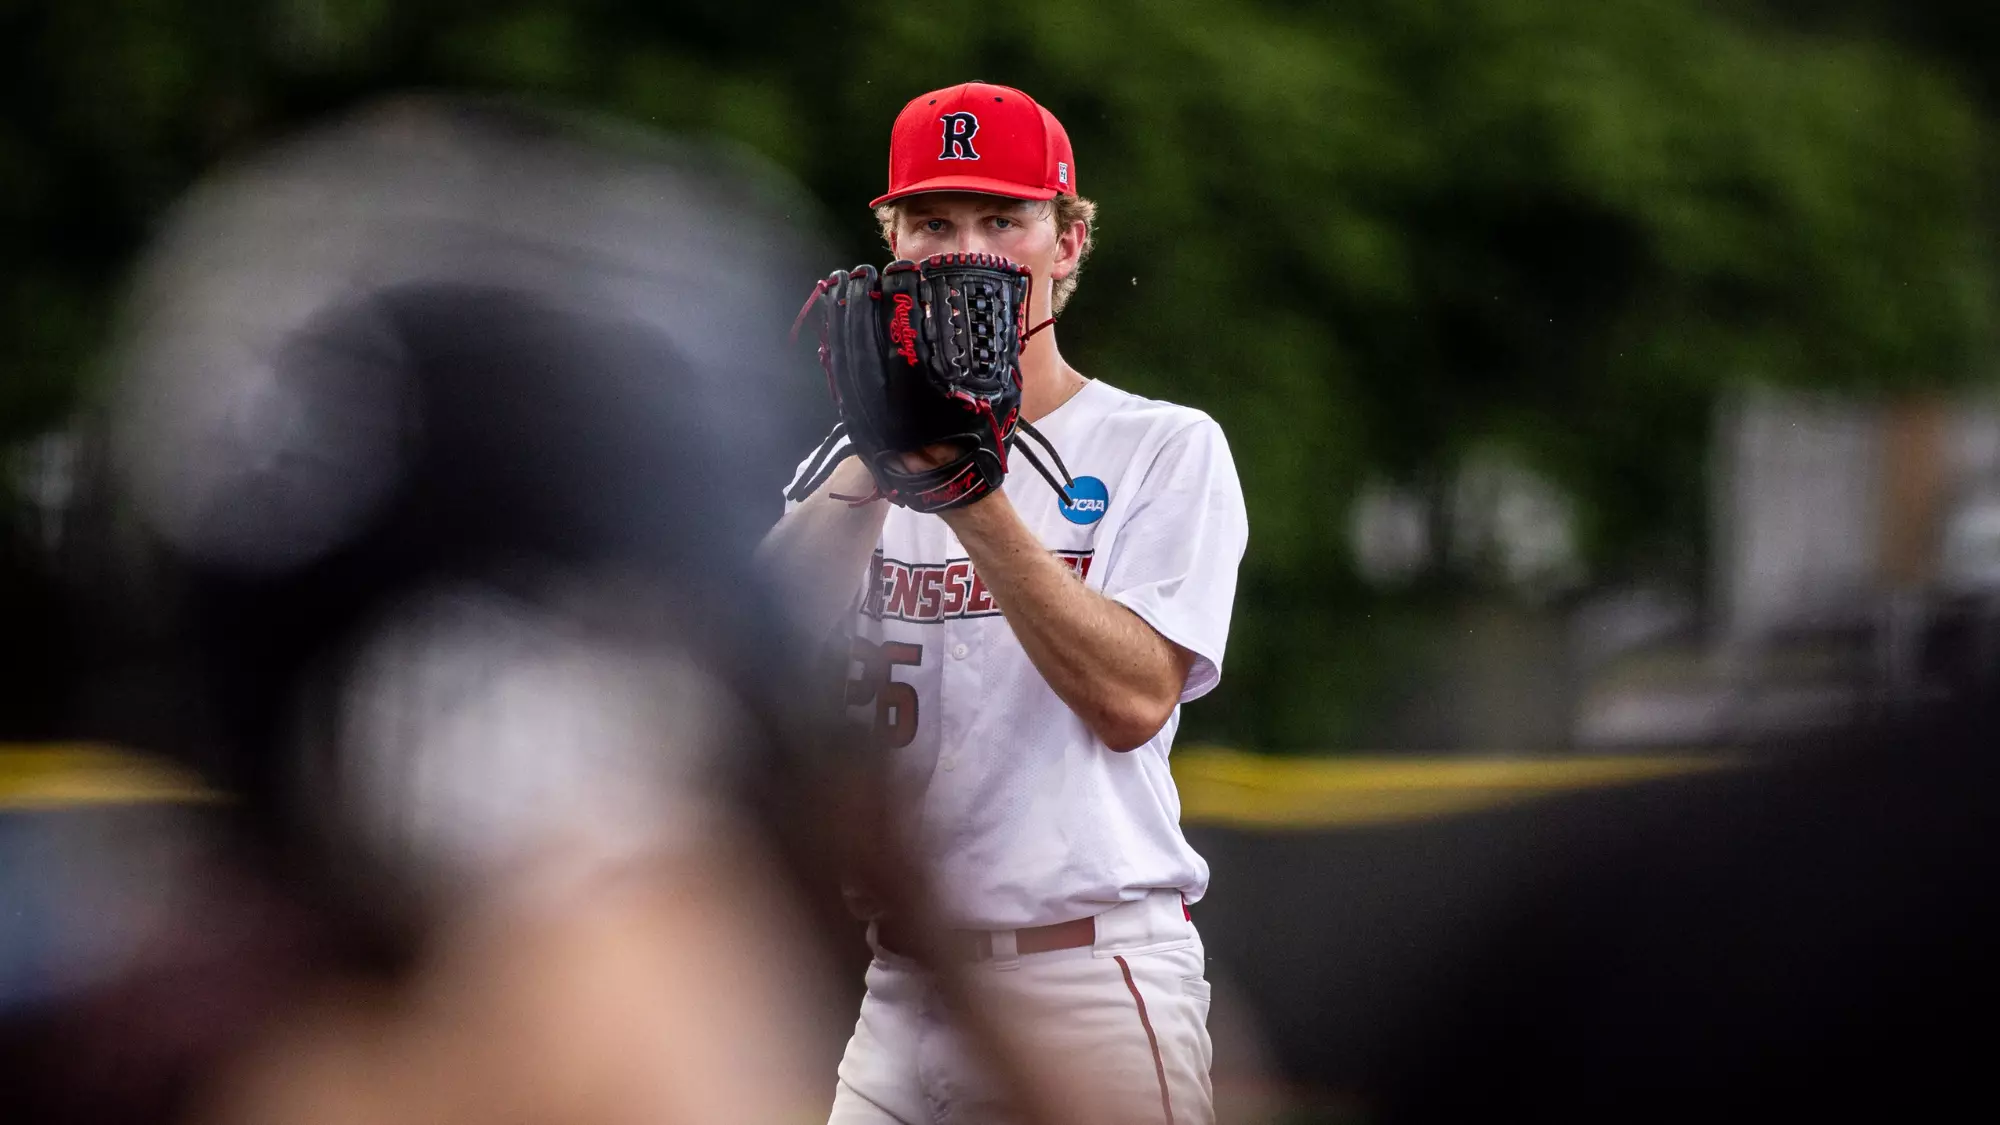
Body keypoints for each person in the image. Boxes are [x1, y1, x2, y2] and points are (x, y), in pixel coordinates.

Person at [760, 81, 1250, 1125]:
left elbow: (1131, 699)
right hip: (900, 990)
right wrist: (869, 462)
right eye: (934, 223)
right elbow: (738, 659)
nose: (968, 251)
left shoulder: (1160, 446)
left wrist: (967, 496)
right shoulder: (849, 465)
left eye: (1003, 219)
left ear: (1067, 241)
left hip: (1086, 980)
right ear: (891, 243)